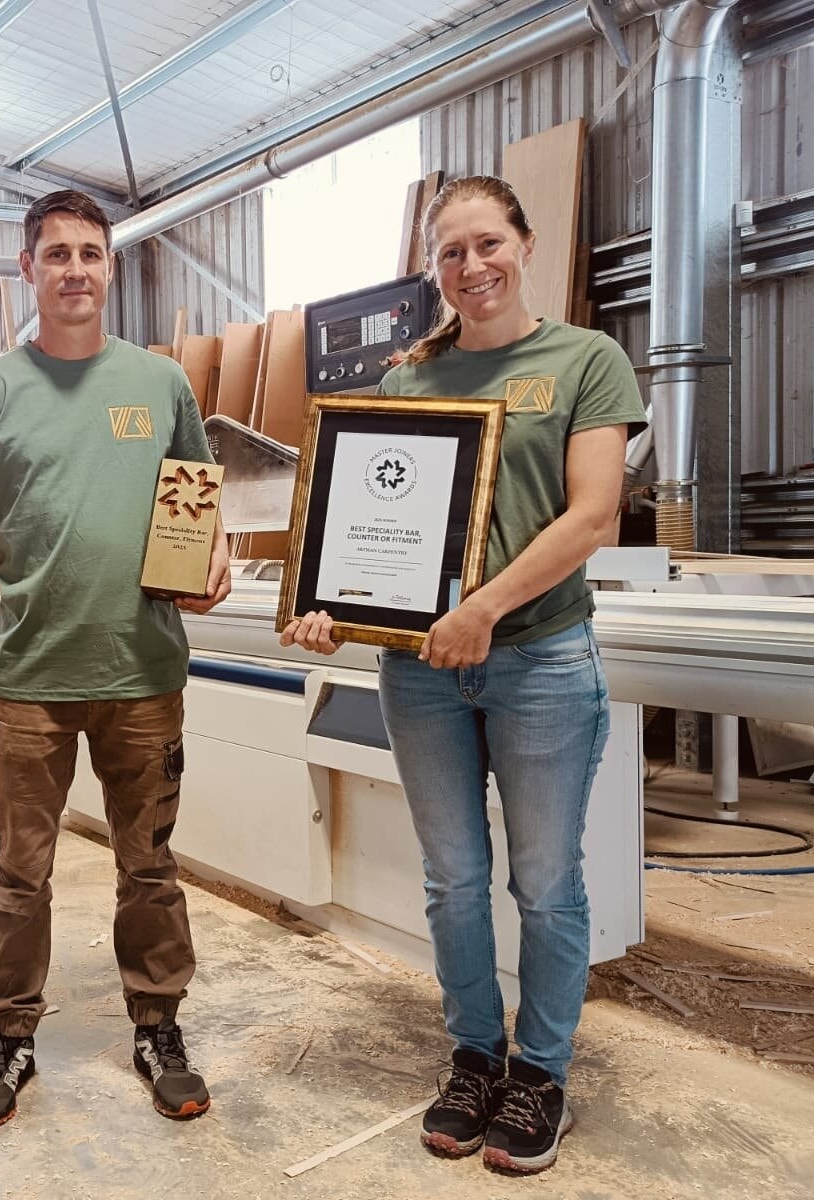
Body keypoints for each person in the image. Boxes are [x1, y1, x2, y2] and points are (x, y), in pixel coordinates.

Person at [282, 175, 646, 1175]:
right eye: (450, 254)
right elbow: (371, 525)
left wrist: (483, 608)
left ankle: (541, 1072)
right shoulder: (407, 380)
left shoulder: (585, 360)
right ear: (432, 269)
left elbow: (591, 516)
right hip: (423, 673)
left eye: (487, 244)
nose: (472, 267)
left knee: (546, 883)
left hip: (538, 658)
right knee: (452, 882)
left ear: (523, 243)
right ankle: (475, 1056)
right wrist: (332, 608)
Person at [0, 189, 231, 1130]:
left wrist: (210, 558)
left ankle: (157, 1023)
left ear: (110, 267)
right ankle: (10, 1034)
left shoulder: (159, 383)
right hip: (32, 676)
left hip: (144, 669)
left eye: (90, 254)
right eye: (55, 254)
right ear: (29, 269)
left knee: (151, 867)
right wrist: (41, 569)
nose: (74, 271)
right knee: (21, 872)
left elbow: (195, 498)